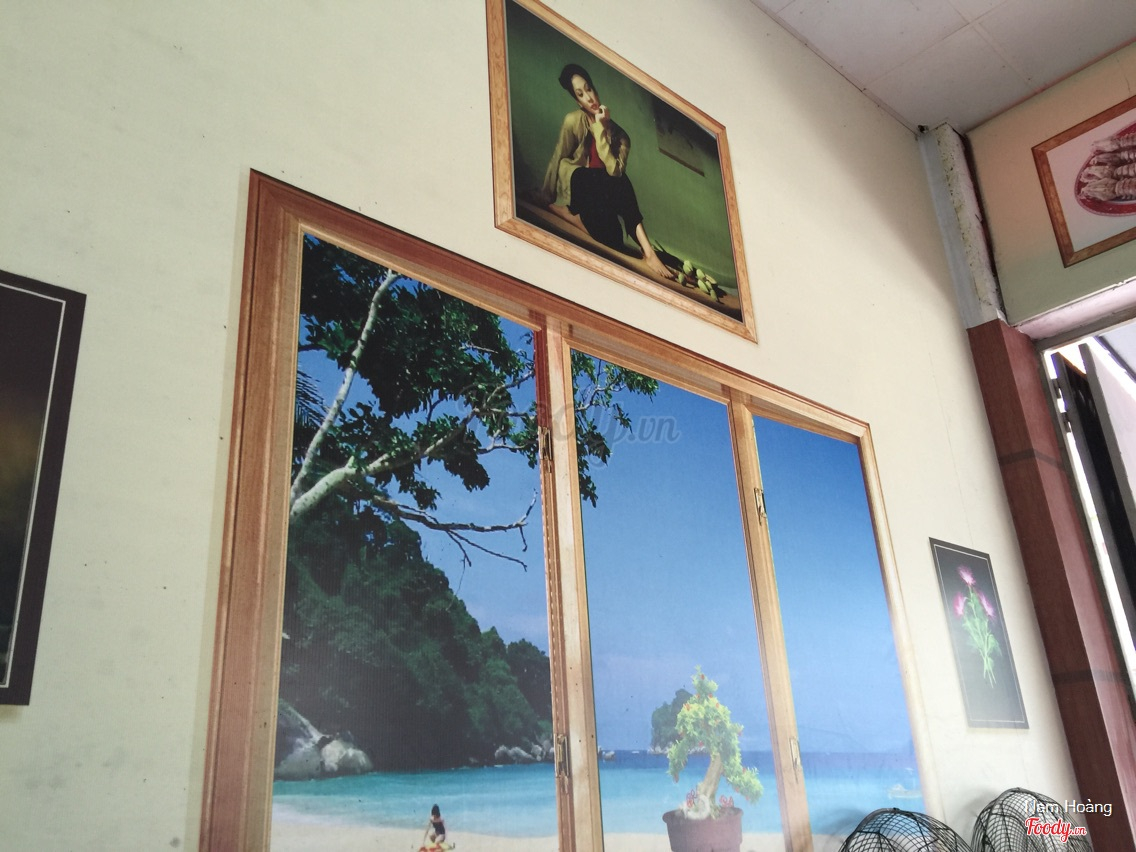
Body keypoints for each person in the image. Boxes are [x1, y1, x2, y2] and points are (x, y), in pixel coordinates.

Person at [535, 63, 675, 281]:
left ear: (595, 89)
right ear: (577, 101)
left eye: (589, 89)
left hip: (600, 197)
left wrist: (601, 127)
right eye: (581, 94)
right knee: (614, 180)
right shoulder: (572, 121)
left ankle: (574, 218)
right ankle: (649, 252)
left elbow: (614, 170)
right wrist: (545, 196)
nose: (588, 97)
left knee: (613, 239)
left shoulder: (621, 137)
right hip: (578, 182)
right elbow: (558, 156)